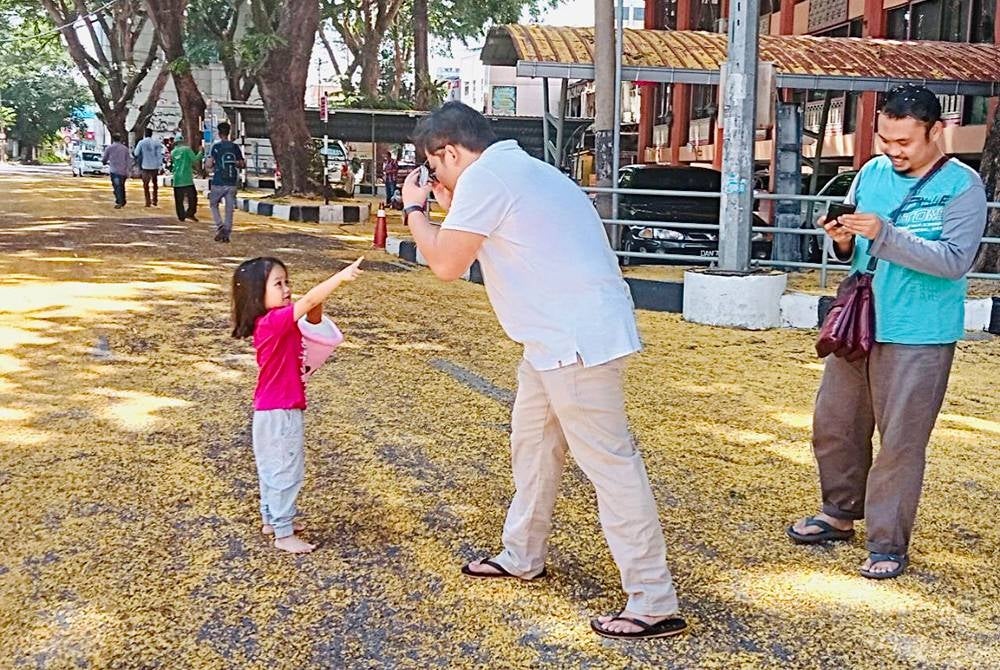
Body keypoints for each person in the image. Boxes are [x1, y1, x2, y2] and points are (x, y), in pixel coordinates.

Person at [401, 102, 687, 641]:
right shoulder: (520, 169)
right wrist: (448, 202)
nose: (431, 177)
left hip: (572, 341)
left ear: (450, 152)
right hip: (555, 340)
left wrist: (416, 210)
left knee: (611, 467)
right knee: (532, 444)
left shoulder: (488, 179)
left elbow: (444, 265)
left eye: (432, 167)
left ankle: (653, 600)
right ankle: (522, 553)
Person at [787, 84, 987, 580]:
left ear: (937, 131)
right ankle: (838, 512)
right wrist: (839, 241)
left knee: (900, 440)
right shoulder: (872, 172)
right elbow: (853, 252)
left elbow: (955, 262)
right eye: (885, 140)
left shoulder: (962, 186)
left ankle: (887, 541)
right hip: (859, 322)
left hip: (919, 332)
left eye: (905, 143)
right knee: (835, 423)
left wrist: (887, 235)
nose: (893, 152)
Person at [230, 255, 364, 553]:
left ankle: (271, 519)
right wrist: (340, 277)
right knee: (286, 470)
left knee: (272, 467)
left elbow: (312, 313)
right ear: (257, 295)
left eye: (286, 281)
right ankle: (283, 532)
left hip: (269, 409)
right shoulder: (275, 322)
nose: (287, 288)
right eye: (278, 284)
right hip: (281, 411)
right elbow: (311, 299)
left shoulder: (270, 323)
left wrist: (316, 301)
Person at [206, 121, 245, 243]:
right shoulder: (235, 147)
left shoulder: (216, 147)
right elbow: (242, 164)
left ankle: (220, 226)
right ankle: (226, 232)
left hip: (218, 181)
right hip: (232, 181)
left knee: (213, 204)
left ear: (219, 133)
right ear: (229, 133)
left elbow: (209, 164)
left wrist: (210, 169)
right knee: (229, 208)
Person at [170, 134, 203, 222]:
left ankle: (181, 216)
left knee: (178, 199)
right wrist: (201, 152)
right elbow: (195, 159)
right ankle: (190, 213)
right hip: (187, 178)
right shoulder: (187, 150)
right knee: (193, 197)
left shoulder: (173, 152)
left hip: (177, 178)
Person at [133, 129, 165, 207]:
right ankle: (155, 200)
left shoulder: (141, 142)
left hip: (145, 166)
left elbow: (136, 153)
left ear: (145, 134)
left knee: (146, 185)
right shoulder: (156, 143)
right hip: (155, 166)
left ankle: (148, 202)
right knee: (155, 184)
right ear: (152, 134)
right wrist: (160, 165)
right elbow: (160, 155)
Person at [101, 135, 131, 209]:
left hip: (114, 171)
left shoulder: (109, 148)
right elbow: (128, 160)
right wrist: (128, 170)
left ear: (113, 139)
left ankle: (120, 201)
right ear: (120, 139)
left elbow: (105, 158)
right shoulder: (125, 149)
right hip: (123, 171)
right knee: (121, 186)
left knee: (117, 187)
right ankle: (122, 201)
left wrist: (104, 162)